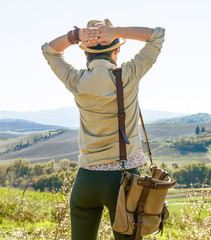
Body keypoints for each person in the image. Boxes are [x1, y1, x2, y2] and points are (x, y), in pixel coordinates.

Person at [42, 19, 165, 240]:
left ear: (85, 53)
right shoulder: (129, 74)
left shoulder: (76, 80)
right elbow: (157, 35)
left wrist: (76, 35)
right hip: (123, 180)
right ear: (116, 49)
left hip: (86, 180)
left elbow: (49, 51)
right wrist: (114, 31)